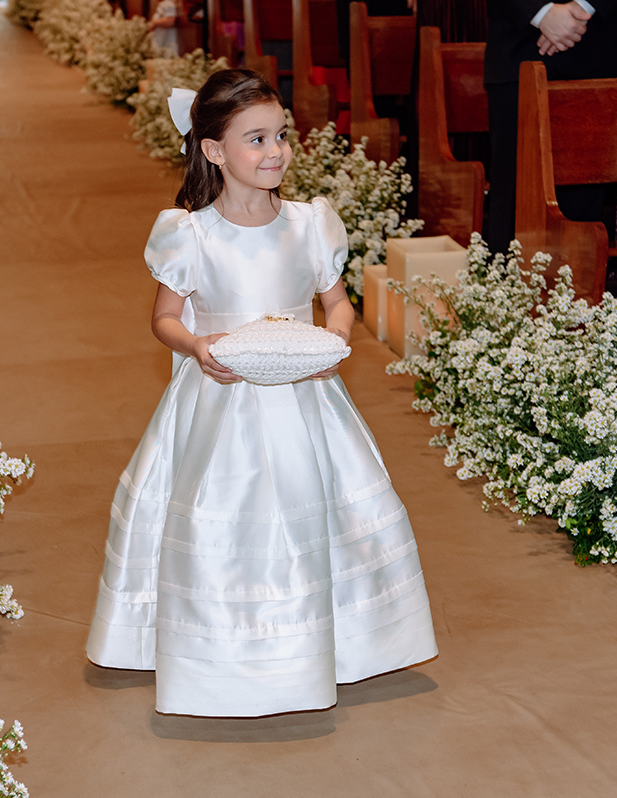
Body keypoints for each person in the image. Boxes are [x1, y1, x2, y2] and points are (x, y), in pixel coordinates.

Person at [85, 69, 438, 718]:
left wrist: (333, 340)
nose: (275, 151)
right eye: (256, 139)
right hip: (220, 398)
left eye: (281, 135)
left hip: (303, 391)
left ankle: (336, 641)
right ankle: (221, 650)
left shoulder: (308, 225)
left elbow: (337, 304)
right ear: (214, 151)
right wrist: (196, 347)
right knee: (222, 512)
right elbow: (165, 318)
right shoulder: (191, 233)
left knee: (318, 503)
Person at [484, 0, 617, 254]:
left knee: (583, 214)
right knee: (515, 209)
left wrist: (584, 7)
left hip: (596, 52)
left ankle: (582, 293)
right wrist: (539, 12)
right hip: (518, 50)